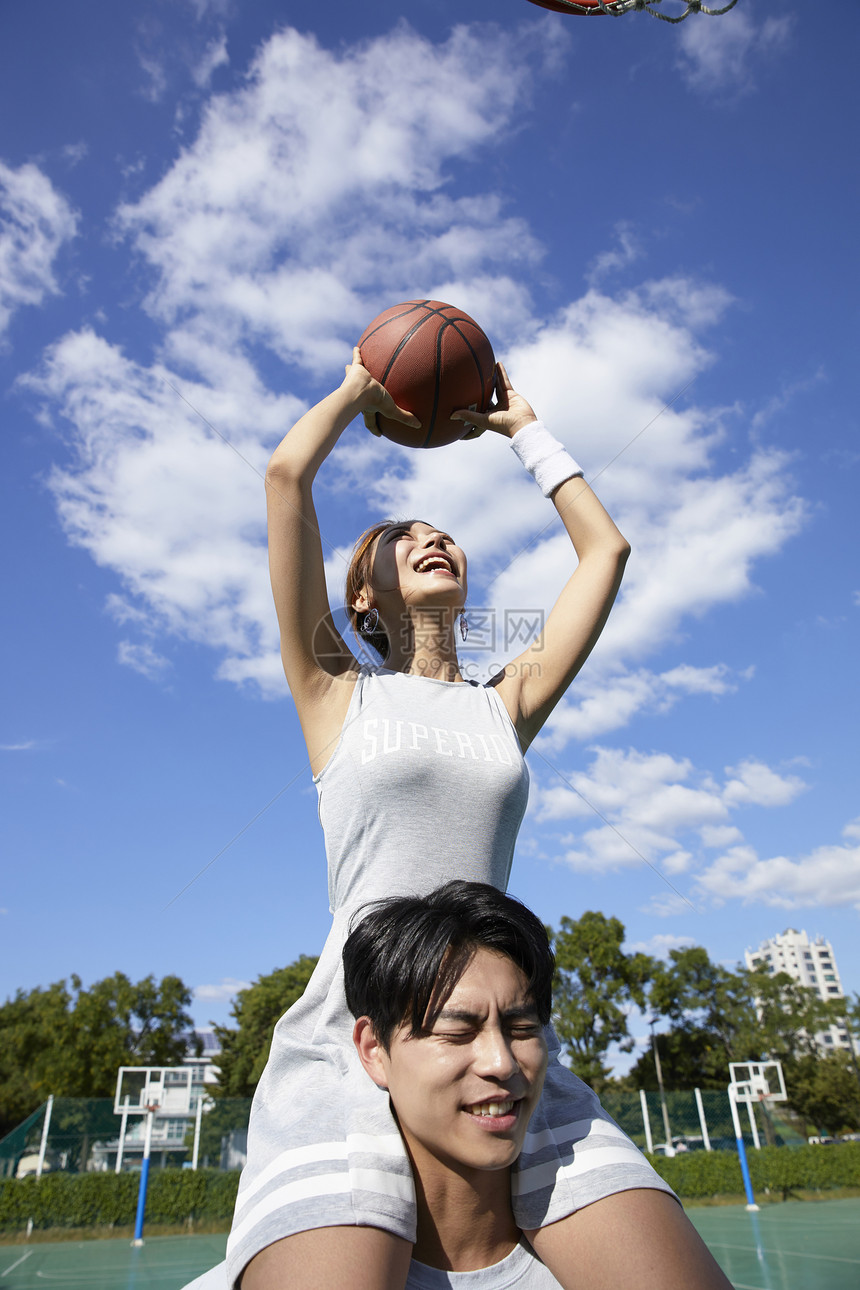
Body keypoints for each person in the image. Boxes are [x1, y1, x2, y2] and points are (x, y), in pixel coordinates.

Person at [225, 350, 688, 1290]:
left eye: (446, 536)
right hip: (357, 1030)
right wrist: (361, 387)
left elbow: (606, 553)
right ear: (363, 595)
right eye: (405, 537)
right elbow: (285, 478)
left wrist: (525, 432)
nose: (435, 540)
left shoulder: (503, 704)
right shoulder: (334, 692)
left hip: (498, 1030)